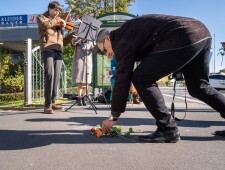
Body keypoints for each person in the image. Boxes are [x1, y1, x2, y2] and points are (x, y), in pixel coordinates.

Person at [96, 14, 225, 143]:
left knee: (141, 78)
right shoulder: (128, 33)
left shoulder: (120, 39)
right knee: (199, 87)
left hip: (182, 34)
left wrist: (113, 116)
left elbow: (123, 78)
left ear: (107, 39)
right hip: (201, 32)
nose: (107, 55)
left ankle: (167, 129)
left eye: (103, 50)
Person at [37, 1, 67, 114]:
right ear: (49, 8)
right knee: (50, 74)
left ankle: (53, 102)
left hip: (58, 50)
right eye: (55, 10)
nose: (57, 12)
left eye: (58, 11)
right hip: (47, 49)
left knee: (56, 76)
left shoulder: (58, 23)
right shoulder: (41, 17)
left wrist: (73, 37)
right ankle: (47, 105)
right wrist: (58, 20)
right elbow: (45, 25)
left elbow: (63, 41)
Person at [71, 36, 94, 106]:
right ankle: (79, 98)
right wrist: (80, 37)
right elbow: (73, 43)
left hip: (88, 63)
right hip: (79, 62)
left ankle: (84, 98)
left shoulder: (90, 40)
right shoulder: (76, 38)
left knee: (86, 82)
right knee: (79, 81)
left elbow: (93, 49)